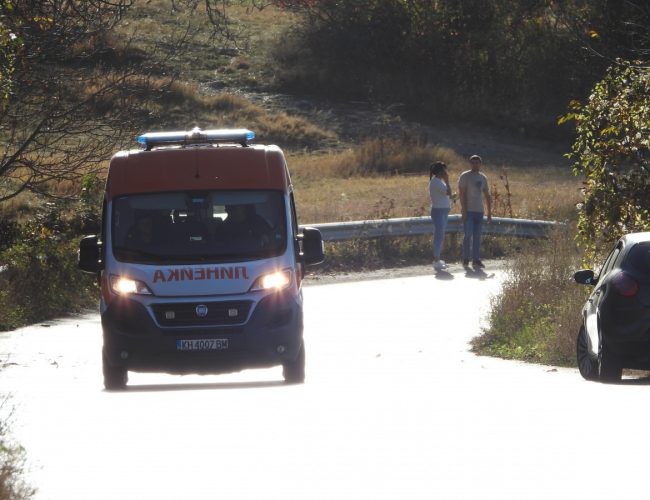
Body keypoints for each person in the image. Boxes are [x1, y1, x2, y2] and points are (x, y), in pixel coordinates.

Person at [458, 154, 492, 269]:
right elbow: (461, 194)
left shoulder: (483, 177)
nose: (475, 164)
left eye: (477, 162)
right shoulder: (465, 176)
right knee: (468, 235)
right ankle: (466, 258)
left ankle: (476, 259)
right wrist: (464, 210)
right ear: (470, 163)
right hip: (469, 210)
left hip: (479, 210)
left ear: (480, 164)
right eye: (473, 162)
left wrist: (489, 213)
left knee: (477, 236)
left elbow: (487, 195)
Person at [428, 161, 452, 271]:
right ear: (439, 171)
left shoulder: (438, 182)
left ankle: (438, 258)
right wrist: (447, 181)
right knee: (439, 236)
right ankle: (436, 260)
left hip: (443, 210)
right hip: (439, 211)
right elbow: (448, 192)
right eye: (444, 170)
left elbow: (446, 194)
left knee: (441, 235)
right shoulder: (436, 182)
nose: (446, 172)